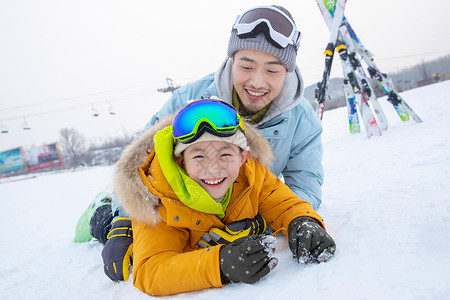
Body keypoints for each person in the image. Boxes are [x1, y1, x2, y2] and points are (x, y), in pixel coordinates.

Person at [101, 4, 325, 282]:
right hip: (181, 210)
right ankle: (101, 207)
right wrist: (122, 222)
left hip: (238, 205)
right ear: (232, 61)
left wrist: (267, 224)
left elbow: (304, 185)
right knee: (107, 228)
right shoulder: (189, 100)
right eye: (246, 66)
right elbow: (139, 163)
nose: (257, 81)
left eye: (273, 70)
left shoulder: (303, 121)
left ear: (288, 72)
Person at [110, 99, 335, 296]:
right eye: (198, 155)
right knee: (113, 241)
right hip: (136, 223)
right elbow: (151, 271)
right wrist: (220, 265)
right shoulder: (159, 196)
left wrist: (303, 221)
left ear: (243, 157)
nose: (213, 168)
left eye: (225, 154)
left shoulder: (252, 174)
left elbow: (283, 203)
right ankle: (100, 212)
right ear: (181, 161)